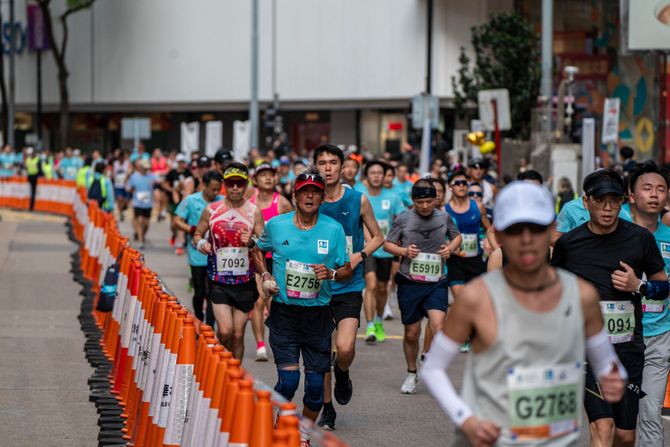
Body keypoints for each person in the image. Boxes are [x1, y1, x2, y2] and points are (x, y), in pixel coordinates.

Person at [421, 181, 626, 446]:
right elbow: (433, 368)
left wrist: (614, 378)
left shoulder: (581, 295)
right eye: (516, 230)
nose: (527, 239)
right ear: (499, 234)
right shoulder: (476, 298)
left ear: (552, 230)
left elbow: (608, 365)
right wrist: (467, 419)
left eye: (537, 228)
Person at [551, 169, 668, 447]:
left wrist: (638, 287)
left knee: (625, 437)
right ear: (586, 201)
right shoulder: (569, 243)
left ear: (622, 202)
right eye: (600, 200)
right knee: (603, 429)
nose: (607, 208)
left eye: (614, 201)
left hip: (628, 349)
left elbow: (663, 286)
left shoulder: (640, 239)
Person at [255, 172, 352, 447]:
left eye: (315, 192)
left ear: (323, 197)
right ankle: (279, 424)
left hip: (318, 316)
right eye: (304, 191)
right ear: (295, 196)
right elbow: (258, 251)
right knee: (288, 381)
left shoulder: (333, 229)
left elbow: (346, 269)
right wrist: (265, 276)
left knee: (313, 390)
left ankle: (304, 434)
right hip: (285, 313)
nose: (310, 196)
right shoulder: (276, 225)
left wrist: (332, 274)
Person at [313, 145, 384, 431]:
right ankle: (327, 410)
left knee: (344, 348)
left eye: (333, 163)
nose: (327, 168)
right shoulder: (309, 199)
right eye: (322, 163)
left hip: (348, 284)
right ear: (315, 166)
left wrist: (357, 258)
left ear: (343, 168)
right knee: (322, 353)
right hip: (317, 288)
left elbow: (378, 238)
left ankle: (343, 372)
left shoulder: (358, 200)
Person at [384, 179, 462, 394]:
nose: (425, 206)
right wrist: (404, 252)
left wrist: (450, 250)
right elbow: (388, 243)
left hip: (437, 281)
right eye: (421, 202)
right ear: (413, 200)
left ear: (436, 199)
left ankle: (431, 361)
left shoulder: (444, 217)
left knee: (438, 326)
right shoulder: (403, 219)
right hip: (410, 282)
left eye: (429, 201)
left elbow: (457, 237)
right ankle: (411, 372)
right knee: (411, 333)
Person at [192, 163, 265, 360]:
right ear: (224, 184)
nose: (235, 188)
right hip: (218, 281)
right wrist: (202, 245)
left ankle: (234, 376)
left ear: (246, 185)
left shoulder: (253, 211)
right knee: (225, 332)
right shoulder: (211, 210)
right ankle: (223, 373)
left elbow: (266, 244)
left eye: (239, 184)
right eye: (231, 183)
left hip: (245, 283)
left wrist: (250, 242)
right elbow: (197, 235)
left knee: (238, 335)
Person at [623, 161, 670, 445]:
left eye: (661, 189)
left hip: (659, 337)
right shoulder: (613, 232)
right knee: (619, 422)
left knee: (651, 413)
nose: (654, 194)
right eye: (647, 188)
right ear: (631, 195)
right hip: (618, 339)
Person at [249, 163, 293, 361]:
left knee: (275, 302)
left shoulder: (282, 202)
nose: (267, 178)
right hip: (257, 258)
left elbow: (293, 229)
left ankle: (277, 340)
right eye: (263, 175)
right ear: (255, 180)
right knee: (259, 300)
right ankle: (260, 345)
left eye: (270, 175)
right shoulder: (249, 203)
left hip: (277, 260)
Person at [361, 160, 405, 343]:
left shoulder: (393, 197)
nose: (377, 176)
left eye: (380, 172)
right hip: (367, 249)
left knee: (382, 288)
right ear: (367, 176)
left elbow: (402, 220)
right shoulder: (360, 195)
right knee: (370, 286)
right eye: (373, 172)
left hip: (386, 249)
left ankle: (379, 319)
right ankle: (370, 325)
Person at [174, 170, 224, 327]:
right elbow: (177, 220)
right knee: (199, 292)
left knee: (212, 293)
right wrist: (191, 229)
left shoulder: (223, 201)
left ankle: (209, 327)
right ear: (204, 185)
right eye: (213, 189)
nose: (215, 192)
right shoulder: (191, 200)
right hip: (196, 254)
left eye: (218, 189)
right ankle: (198, 317)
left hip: (216, 255)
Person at [445, 170, 491, 298]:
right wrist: (448, 245)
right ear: (450, 187)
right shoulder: (445, 210)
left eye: (464, 183)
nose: (461, 186)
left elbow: (489, 228)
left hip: (476, 259)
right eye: (457, 183)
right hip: (455, 261)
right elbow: (440, 235)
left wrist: (489, 243)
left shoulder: (478, 206)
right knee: (461, 299)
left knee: (475, 299)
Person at [163, 153, 193, 255]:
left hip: (184, 202)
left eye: (183, 162)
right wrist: (172, 190)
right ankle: (174, 235)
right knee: (173, 224)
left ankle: (180, 244)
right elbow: (164, 184)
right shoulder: (172, 172)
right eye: (180, 162)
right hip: (174, 201)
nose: (182, 164)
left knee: (181, 222)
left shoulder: (189, 173)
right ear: (177, 162)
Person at [126, 159, 157, 250]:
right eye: (144, 168)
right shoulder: (134, 176)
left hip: (148, 204)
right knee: (140, 220)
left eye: (147, 168)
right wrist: (132, 190)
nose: (146, 169)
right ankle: (141, 241)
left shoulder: (151, 176)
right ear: (140, 167)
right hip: (137, 203)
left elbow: (160, 181)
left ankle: (142, 235)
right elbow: (128, 188)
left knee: (146, 224)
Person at [112, 149, 132, 221]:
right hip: (118, 184)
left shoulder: (127, 163)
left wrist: (127, 177)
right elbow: (113, 173)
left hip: (126, 184)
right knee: (119, 199)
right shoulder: (115, 163)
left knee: (125, 200)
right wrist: (114, 178)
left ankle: (123, 208)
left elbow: (130, 171)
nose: (121, 159)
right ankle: (121, 213)